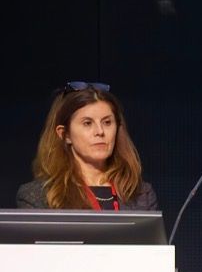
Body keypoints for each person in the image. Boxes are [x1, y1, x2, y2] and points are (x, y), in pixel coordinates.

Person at [17, 81, 158, 211]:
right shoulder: (37, 196)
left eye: (107, 122)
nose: (100, 132)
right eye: (87, 123)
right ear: (65, 134)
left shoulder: (141, 195)